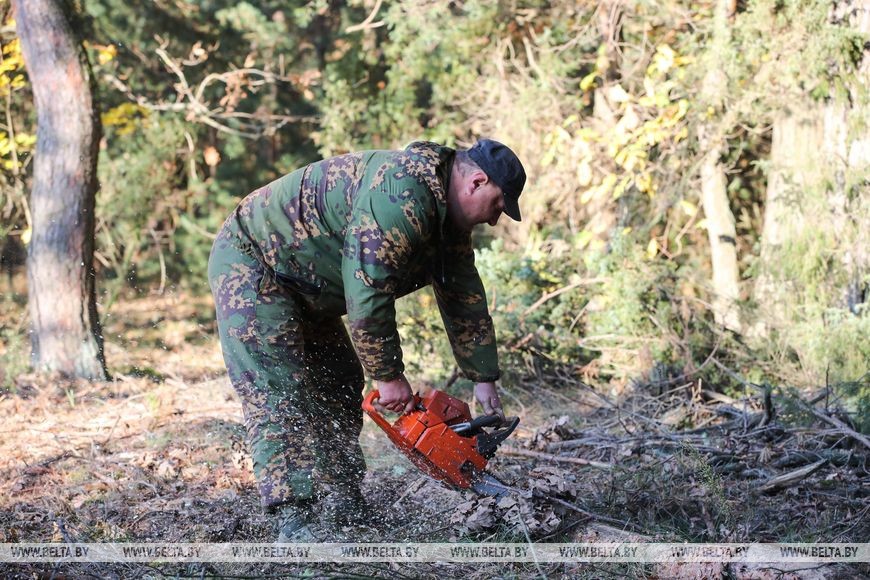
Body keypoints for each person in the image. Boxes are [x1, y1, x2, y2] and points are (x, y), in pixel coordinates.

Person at [207, 138, 526, 541]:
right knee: (279, 391)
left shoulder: (448, 223)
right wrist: (388, 374)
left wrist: (483, 377)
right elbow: (368, 290)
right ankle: (294, 518)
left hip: (312, 286)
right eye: (498, 205)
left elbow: (463, 295)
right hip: (255, 265)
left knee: (339, 383)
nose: (496, 220)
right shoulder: (401, 193)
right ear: (477, 182)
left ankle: (343, 497)